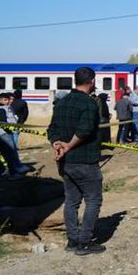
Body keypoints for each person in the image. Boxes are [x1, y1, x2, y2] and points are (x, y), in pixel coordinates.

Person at [47, 67, 106, 256]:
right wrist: (68, 145)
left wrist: (58, 144)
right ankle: (85, 242)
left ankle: (72, 240)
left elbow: (52, 129)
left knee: (71, 202)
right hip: (85, 161)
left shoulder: (62, 102)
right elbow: (84, 130)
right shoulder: (89, 104)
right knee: (93, 200)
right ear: (92, 81)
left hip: (65, 162)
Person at [0, 93, 31, 179]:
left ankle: (7, 171)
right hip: (5, 134)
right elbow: (3, 122)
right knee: (10, 153)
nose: (8, 101)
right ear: (0, 100)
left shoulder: (7, 107)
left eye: (9, 99)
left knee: (10, 153)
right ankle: (13, 173)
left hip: (7, 133)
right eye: (5, 100)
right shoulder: (1, 109)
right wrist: (9, 130)